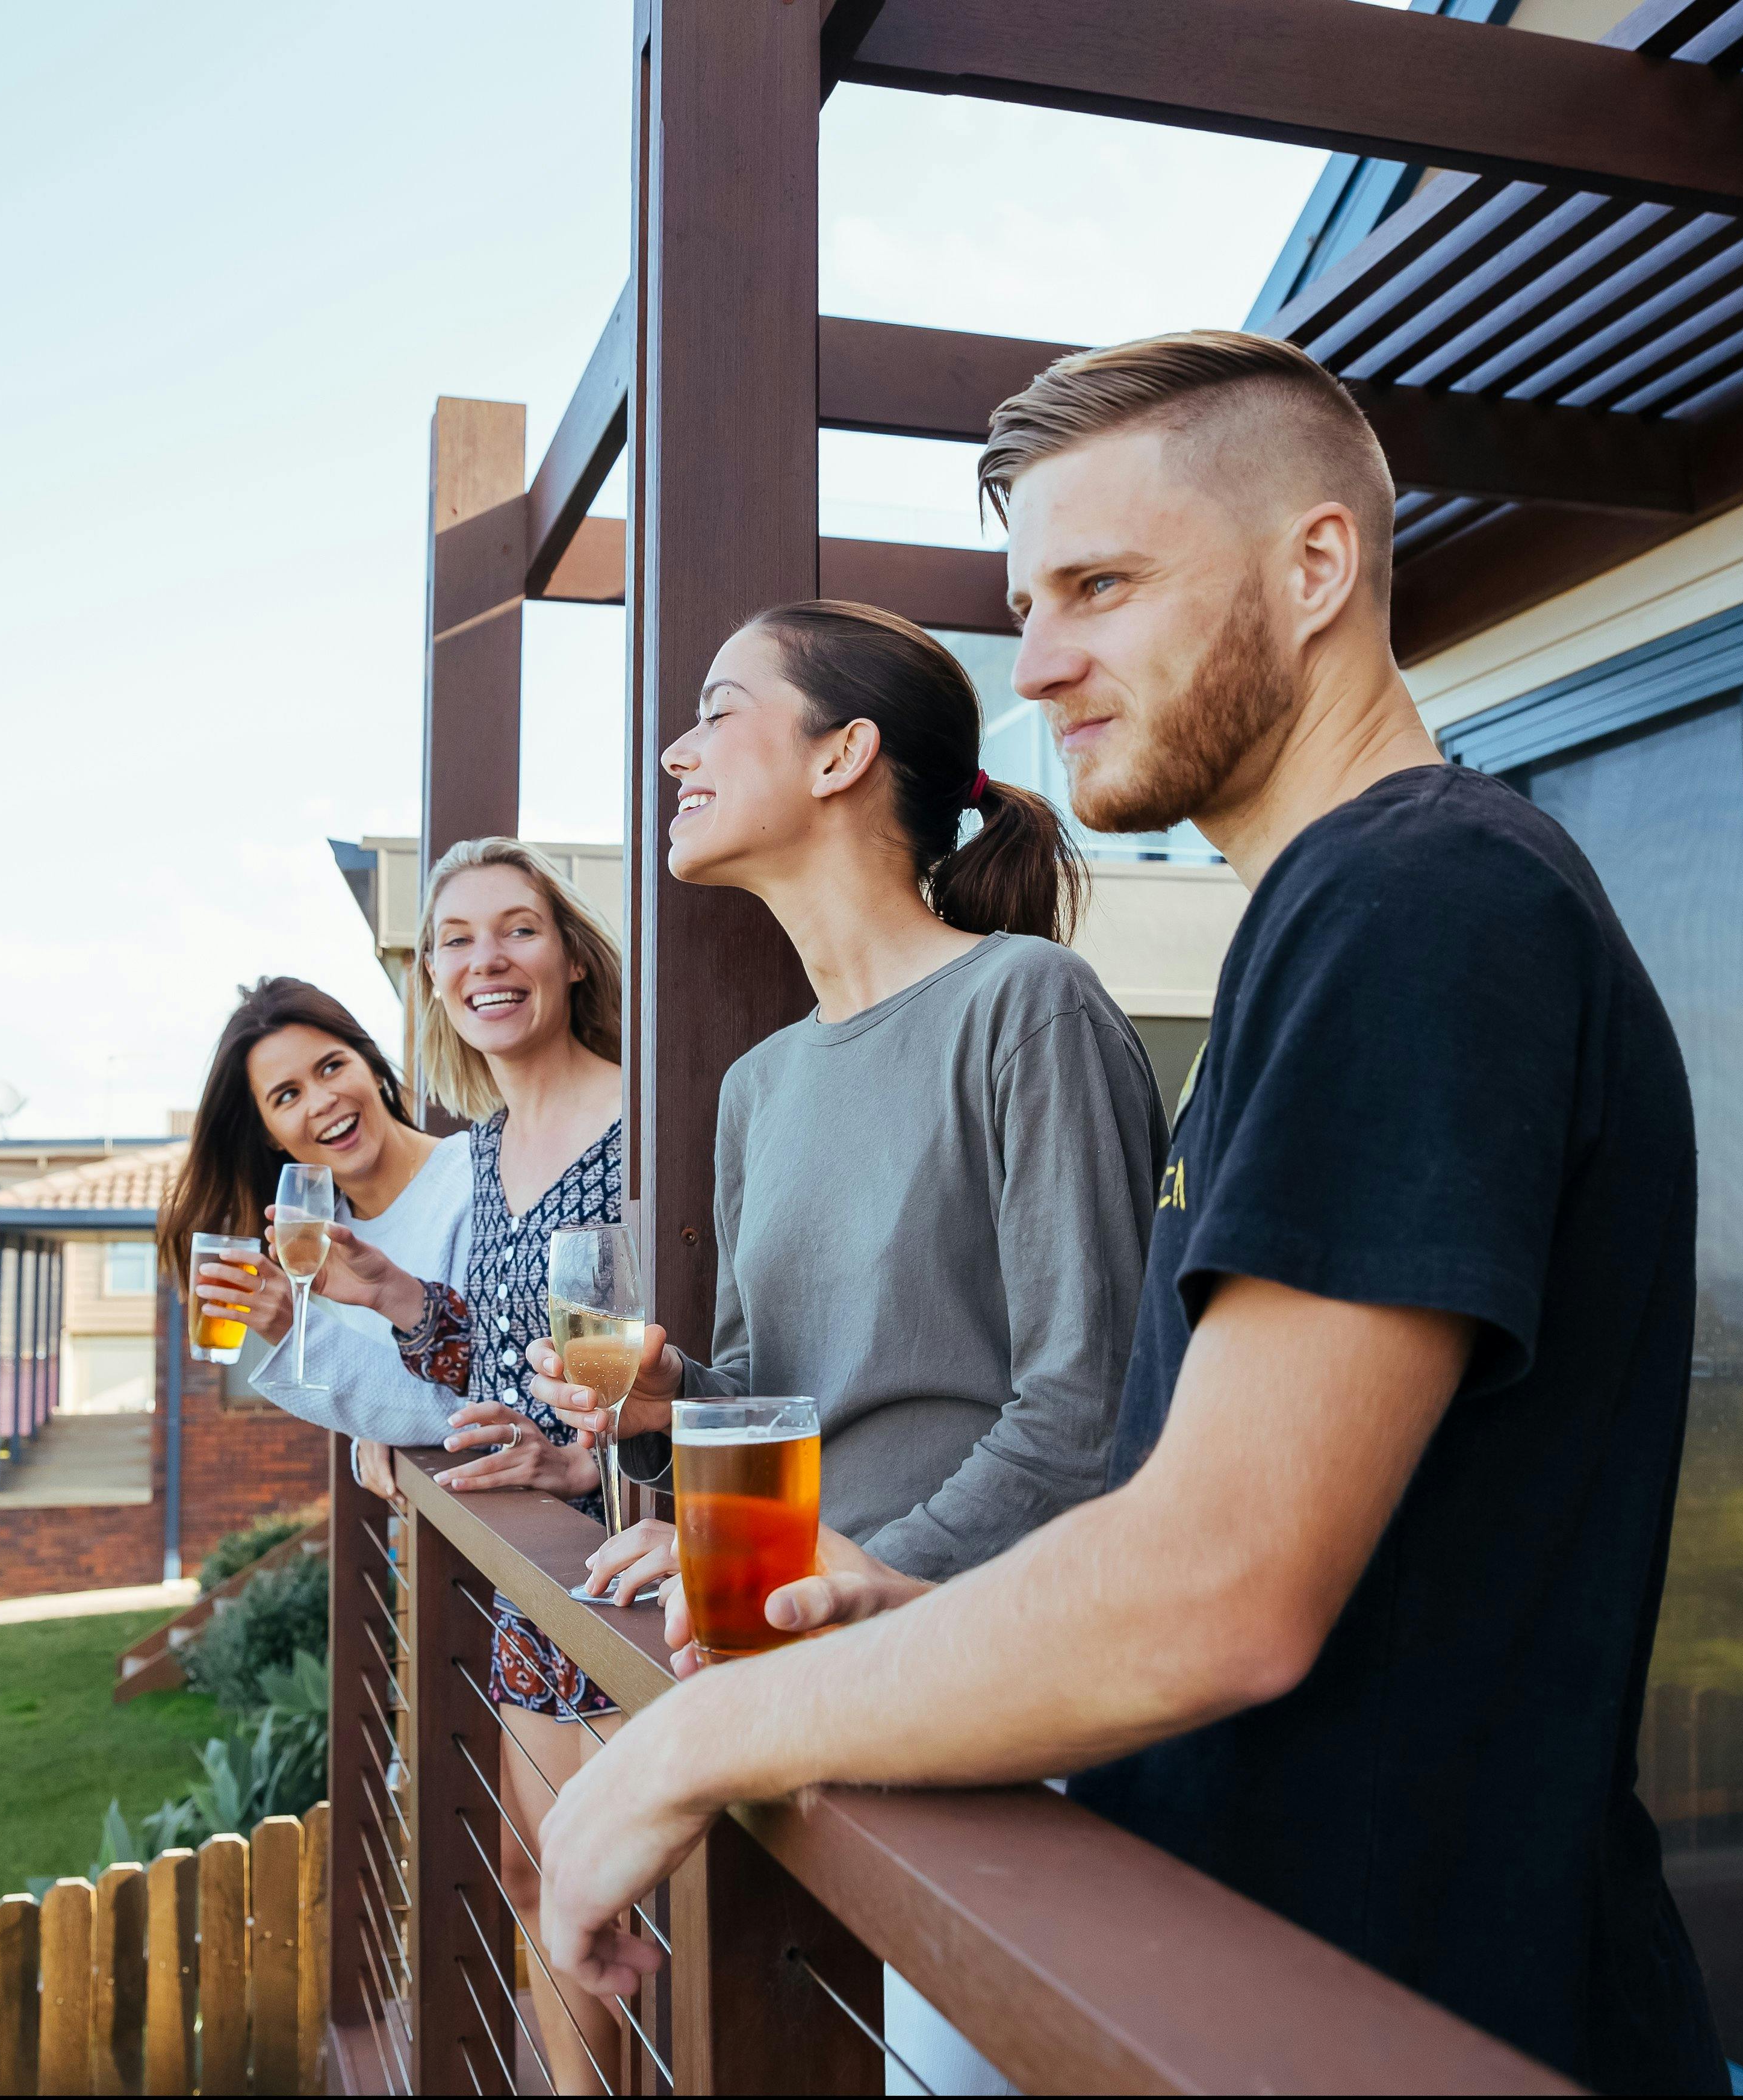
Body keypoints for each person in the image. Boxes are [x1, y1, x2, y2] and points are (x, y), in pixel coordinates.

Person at [533, 331, 1729, 2095]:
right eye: (1031, 602)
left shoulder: (1421, 904)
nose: (1045, 662)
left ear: (1316, 565)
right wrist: (891, 1598)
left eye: (1100, 585)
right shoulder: (1334, 919)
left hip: (1400, 2018)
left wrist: (689, 1742)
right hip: (1251, 1979)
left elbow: (1222, 1581)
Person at [542, 599, 1164, 1612]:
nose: (674, 753)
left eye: (717, 714)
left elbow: (1084, 1410)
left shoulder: (1029, 1005)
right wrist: (673, 1405)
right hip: (796, 1630)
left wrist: (840, 1581)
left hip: (967, 1646)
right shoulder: (760, 1084)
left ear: (841, 757)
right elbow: (774, 1397)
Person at [298, 834, 630, 2096]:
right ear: (430, 978)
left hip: (624, 1578)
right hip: (522, 1587)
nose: (486, 959)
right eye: (455, 940)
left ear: (569, 959)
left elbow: (668, 1362)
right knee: (537, 1877)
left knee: (613, 1907)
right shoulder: (485, 1149)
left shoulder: (637, 1121)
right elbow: (499, 1359)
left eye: (516, 929)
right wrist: (391, 1295)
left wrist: (576, 1465)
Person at [154, 976, 467, 1500]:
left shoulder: (474, 1180)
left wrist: (294, 1328)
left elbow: (470, 1403)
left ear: (368, 1062)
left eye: (331, 1066)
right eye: (288, 1095)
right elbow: (393, 1392)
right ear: (269, 1132)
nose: (322, 1100)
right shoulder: (314, 1239)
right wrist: (373, 1425)